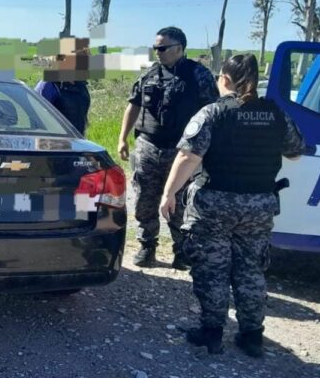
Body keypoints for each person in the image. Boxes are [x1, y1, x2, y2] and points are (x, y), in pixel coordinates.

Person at [159, 54, 305, 357]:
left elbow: (189, 157)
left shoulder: (213, 113)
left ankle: (212, 333)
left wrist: (169, 193)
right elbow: (295, 152)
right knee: (251, 269)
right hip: (259, 206)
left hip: (215, 204)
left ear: (223, 79)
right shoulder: (275, 114)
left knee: (213, 268)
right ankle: (252, 336)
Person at [117, 26, 218, 269]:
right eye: (155, 48)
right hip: (148, 147)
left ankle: (181, 250)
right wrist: (123, 138)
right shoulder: (149, 74)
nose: (158, 52)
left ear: (180, 49)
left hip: (182, 151)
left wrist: (211, 147)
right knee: (144, 198)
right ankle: (147, 246)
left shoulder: (199, 75)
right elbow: (134, 105)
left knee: (180, 201)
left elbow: (214, 111)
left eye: (163, 48)